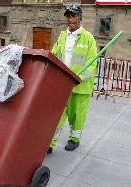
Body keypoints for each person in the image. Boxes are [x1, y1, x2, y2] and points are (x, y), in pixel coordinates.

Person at [48, 4, 97, 154]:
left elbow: (92, 62)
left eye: (74, 16)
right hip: (63, 84)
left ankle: (74, 139)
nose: (71, 19)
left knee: (77, 116)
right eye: (68, 16)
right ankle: (50, 142)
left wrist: (79, 78)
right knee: (57, 115)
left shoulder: (88, 38)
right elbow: (54, 55)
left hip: (80, 87)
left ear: (80, 17)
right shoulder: (63, 36)